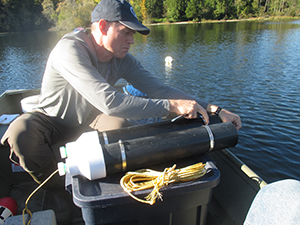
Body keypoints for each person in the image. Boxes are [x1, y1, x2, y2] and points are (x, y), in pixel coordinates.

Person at [1, 0, 241, 223]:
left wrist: (214, 109)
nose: (131, 40)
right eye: (125, 32)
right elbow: (109, 101)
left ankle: (105, 192)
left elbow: (160, 90)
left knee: (119, 127)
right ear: (103, 26)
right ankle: (56, 188)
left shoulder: (122, 59)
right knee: (20, 133)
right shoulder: (70, 49)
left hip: (89, 119)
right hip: (51, 120)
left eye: (132, 34)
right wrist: (171, 106)